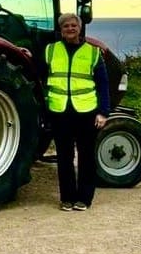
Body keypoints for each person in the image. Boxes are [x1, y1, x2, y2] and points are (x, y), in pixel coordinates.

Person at [42, 13, 110, 211]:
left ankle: (84, 198)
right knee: (64, 157)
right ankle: (67, 198)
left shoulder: (93, 53)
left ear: (79, 29)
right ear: (61, 30)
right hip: (60, 111)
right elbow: (41, 74)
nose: (70, 29)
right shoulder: (50, 50)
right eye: (66, 26)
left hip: (86, 111)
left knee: (86, 156)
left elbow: (103, 84)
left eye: (73, 26)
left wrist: (103, 112)